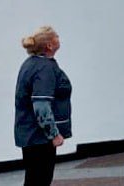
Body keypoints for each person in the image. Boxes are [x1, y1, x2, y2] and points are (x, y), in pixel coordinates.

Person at [15, 26, 72, 186]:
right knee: (40, 179)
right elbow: (41, 105)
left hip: (28, 134)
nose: (59, 38)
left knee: (33, 178)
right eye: (56, 36)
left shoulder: (30, 64)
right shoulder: (45, 68)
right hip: (39, 137)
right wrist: (53, 133)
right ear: (49, 45)